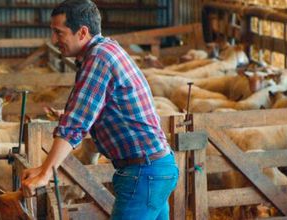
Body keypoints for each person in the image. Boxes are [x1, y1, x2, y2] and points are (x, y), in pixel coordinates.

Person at [20, 0, 179, 219]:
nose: (54, 40)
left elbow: (76, 123)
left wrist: (46, 173)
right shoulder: (105, 50)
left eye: (59, 33)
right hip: (155, 167)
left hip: (144, 173)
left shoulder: (98, 58)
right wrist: (42, 168)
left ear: (82, 32)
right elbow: (92, 112)